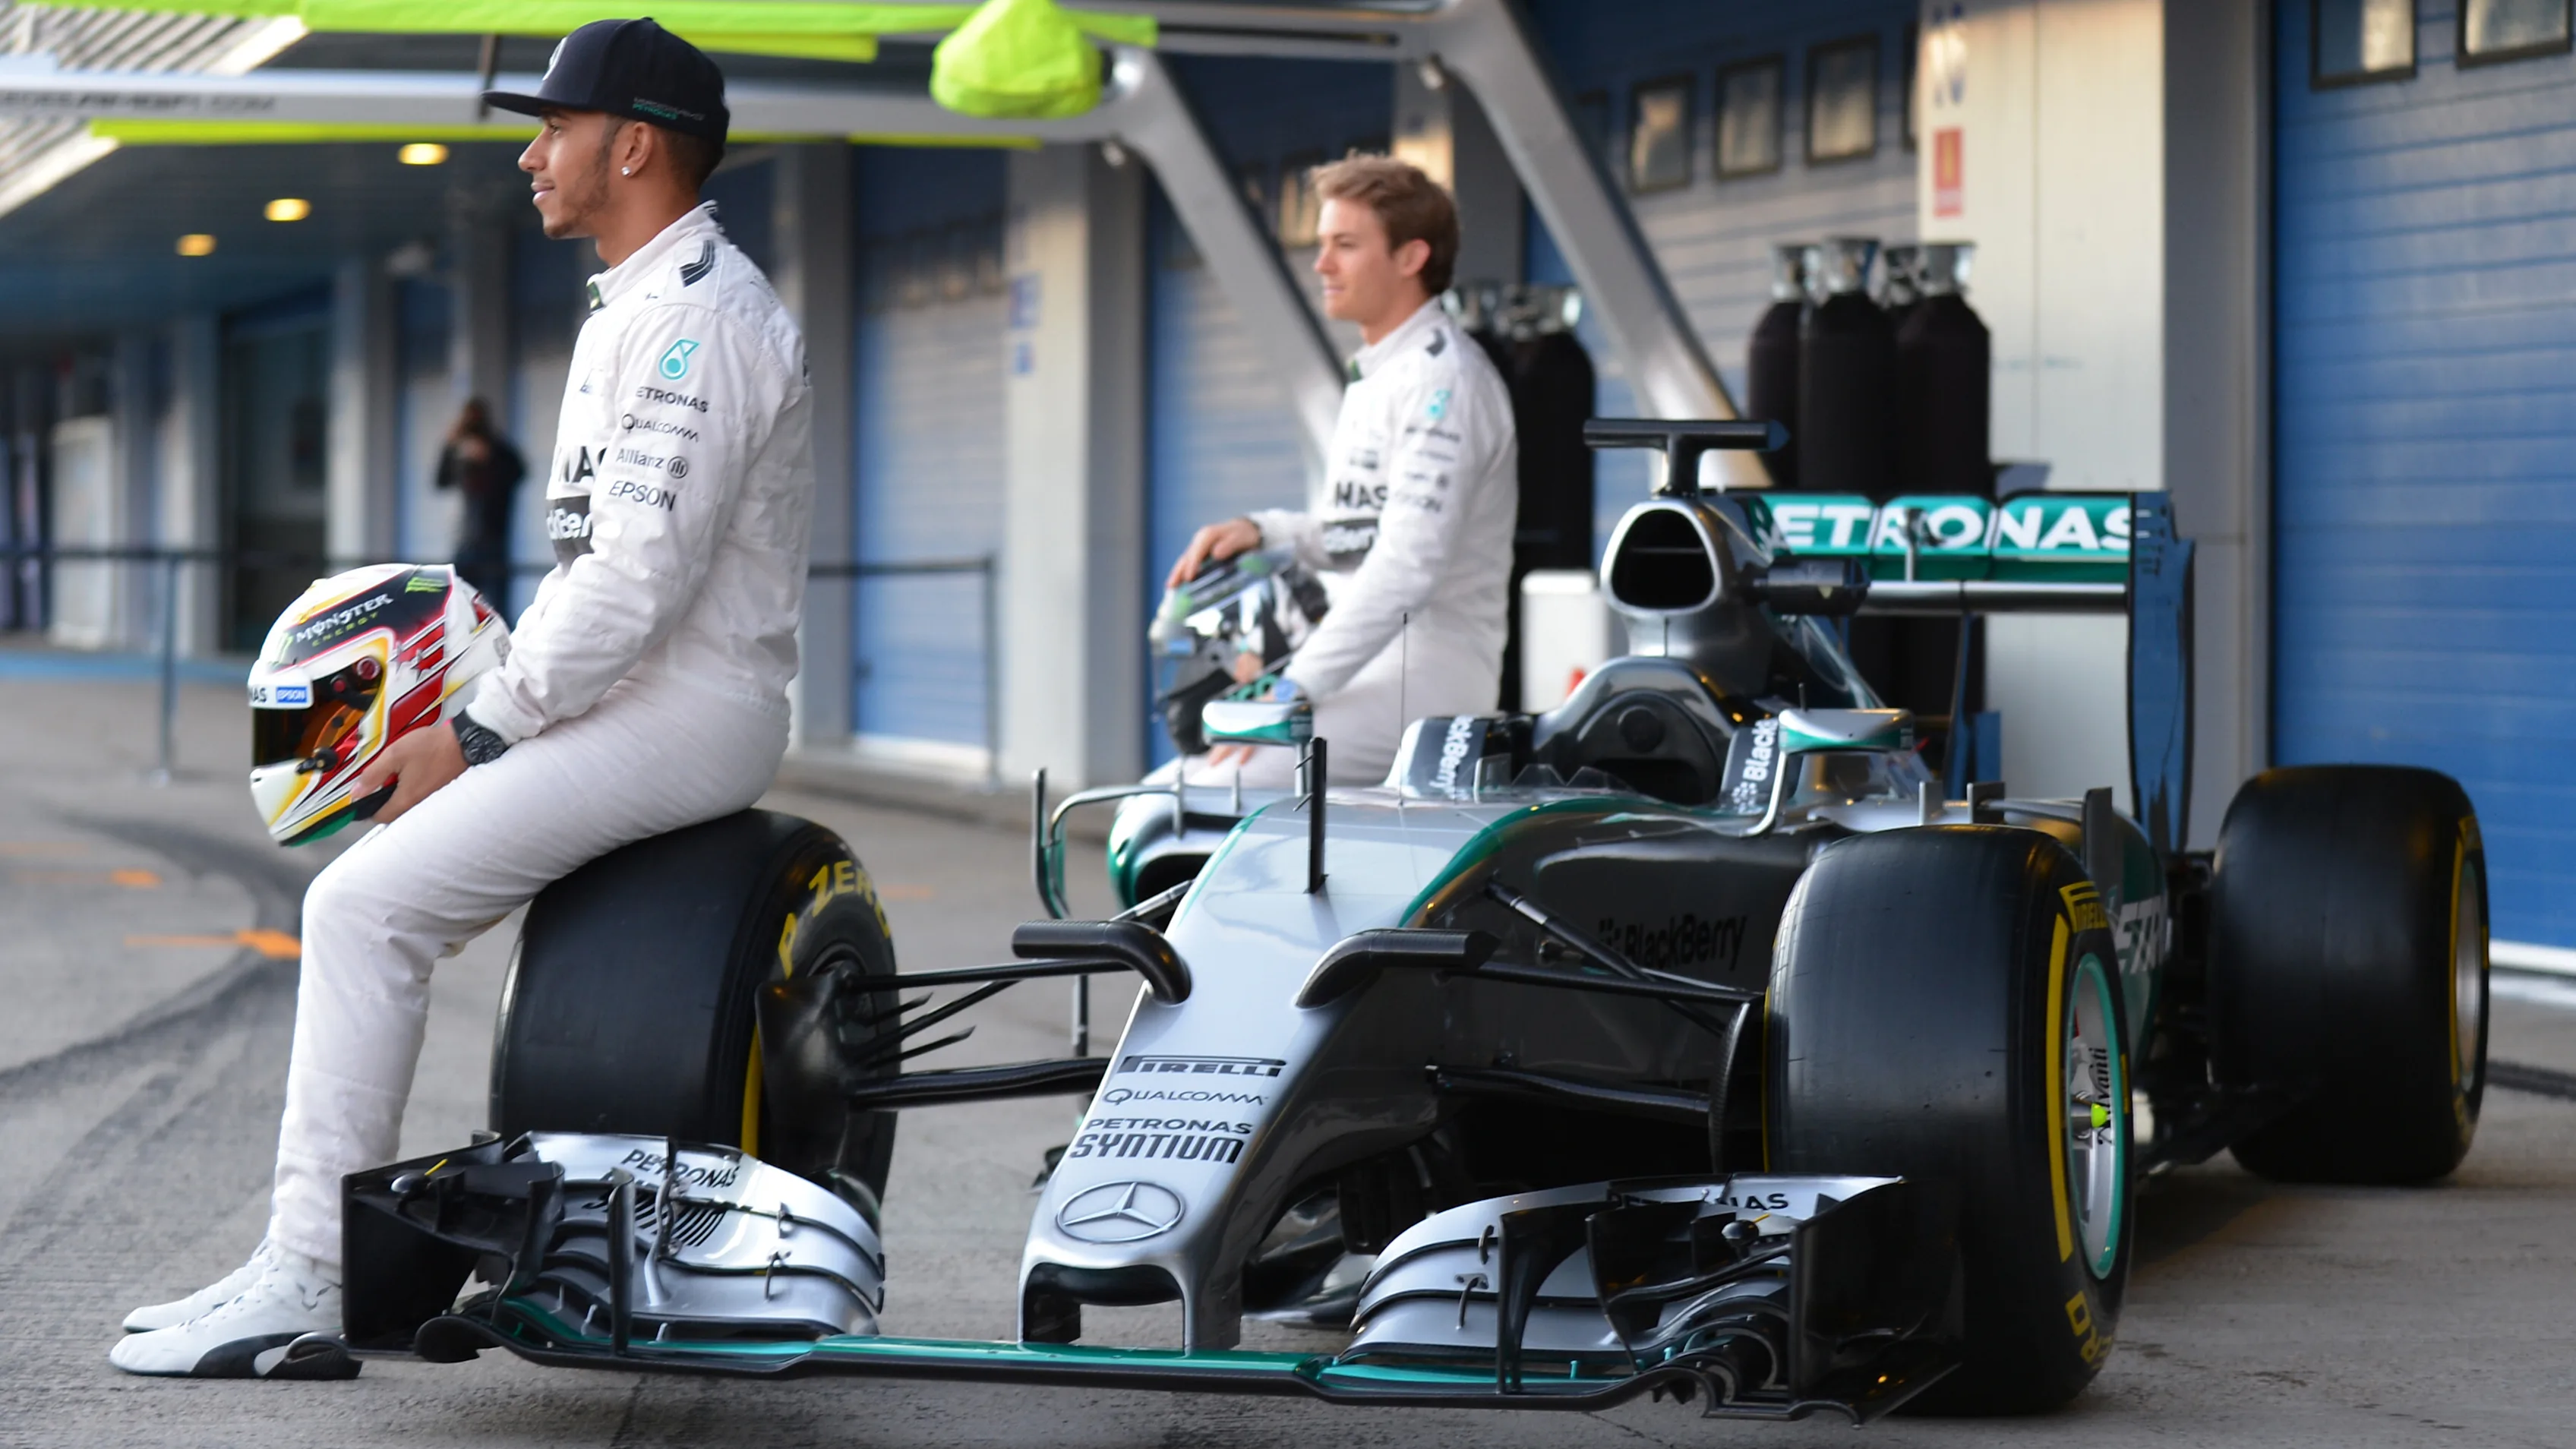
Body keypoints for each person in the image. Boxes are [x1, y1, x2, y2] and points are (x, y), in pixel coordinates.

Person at [111, 17, 815, 1378]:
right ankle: (310, 1257)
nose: (533, 156)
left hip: (692, 706)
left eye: (554, 130)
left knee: (362, 903)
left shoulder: (698, 323)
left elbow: (634, 581)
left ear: (636, 145)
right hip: (634, 689)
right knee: (367, 882)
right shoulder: (643, 299)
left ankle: (311, 1271)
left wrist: (479, 726)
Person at [1163, 156, 1517, 787]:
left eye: (1345, 246)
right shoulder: (1383, 369)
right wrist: (1266, 530)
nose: (1322, 265)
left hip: (1426, 676)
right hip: (1364, 664)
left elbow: (1406, 565)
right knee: (1168, 793)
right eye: (1323, 244)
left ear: (1411, 257)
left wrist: (1296, 687)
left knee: (1201, 797)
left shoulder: (1443, 382)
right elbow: (1360, 535)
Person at [434, 397, 527, 613]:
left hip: (492, 541)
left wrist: (489, 455)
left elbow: (519, 472)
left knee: (496, 606)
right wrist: (450, 445)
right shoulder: (459, 453)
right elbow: (440, 480)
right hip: (464, 542)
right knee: (457, 604)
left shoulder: (499, 452)